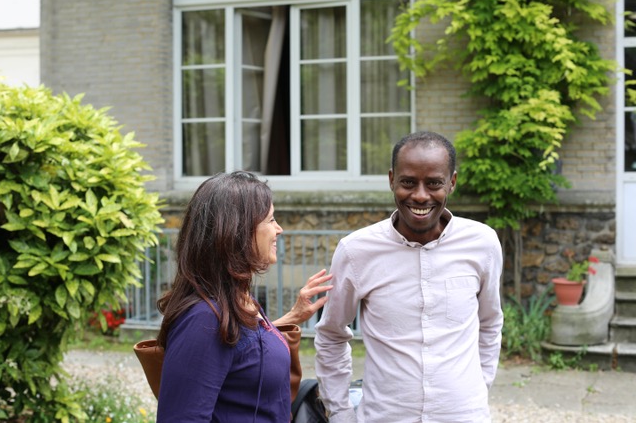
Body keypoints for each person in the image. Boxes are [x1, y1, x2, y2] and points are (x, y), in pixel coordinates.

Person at [315, 131, 504, 422]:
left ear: (451, 182)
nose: (420, 195)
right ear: (392, 180)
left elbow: (490, 322)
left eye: (434, 183)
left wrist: (479, 384)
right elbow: (331, 335)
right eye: (407, 182)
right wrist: (340, 412)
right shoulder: (356, 251)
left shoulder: (483, 243)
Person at [156, 171, 333, 422]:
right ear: (238, 232)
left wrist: (294, 316)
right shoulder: (204, 320)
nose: (279, 229)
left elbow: (244, 352)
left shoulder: (236, 300)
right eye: (271, 220)